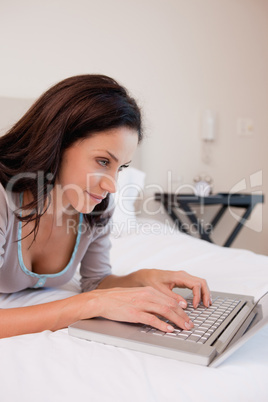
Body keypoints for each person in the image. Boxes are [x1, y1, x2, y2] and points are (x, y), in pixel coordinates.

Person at [0, 74, 211, 338]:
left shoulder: (96, 209)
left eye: (120, 168)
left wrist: (144, 278)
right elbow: (92, 297)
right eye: (102, 161)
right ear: (57, 142)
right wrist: (90, 305)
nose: (112, 186)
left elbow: (94, 282)